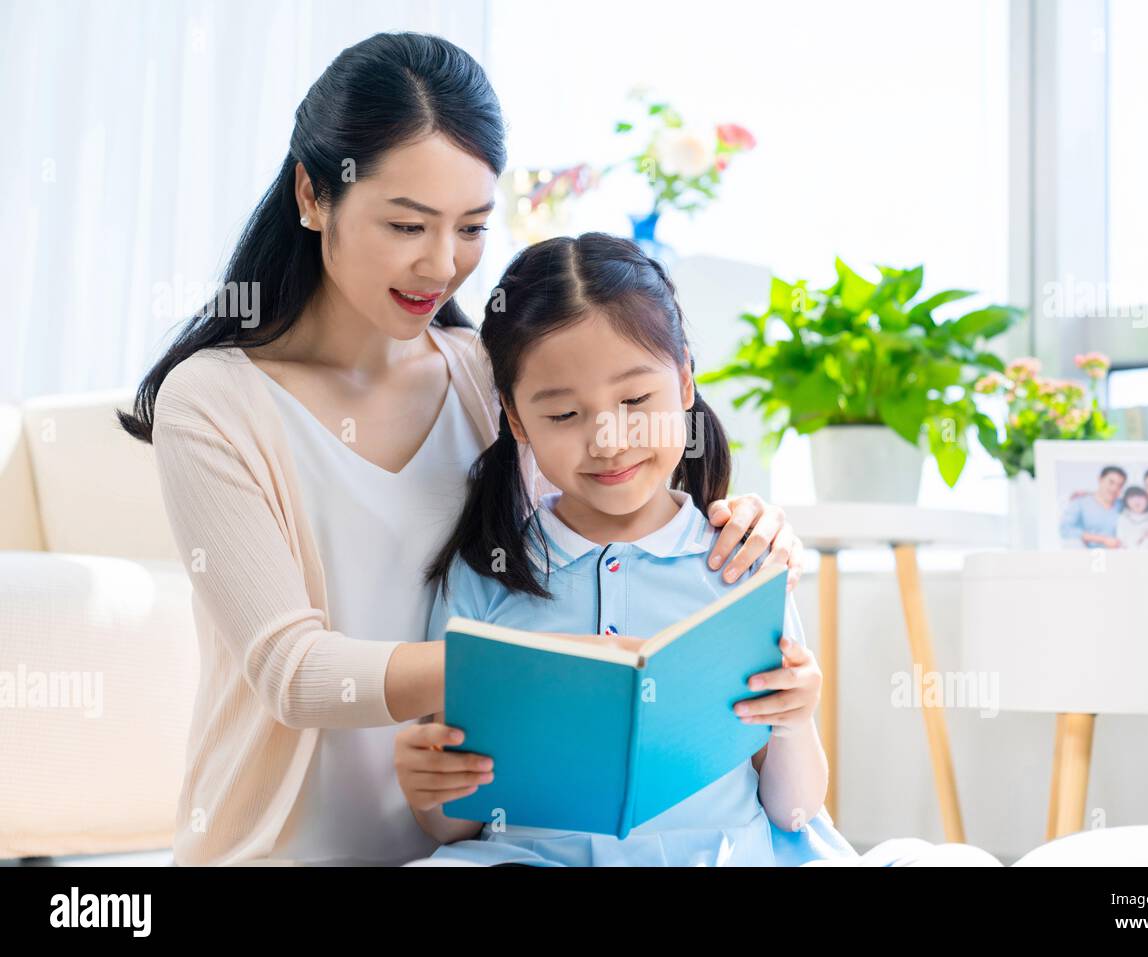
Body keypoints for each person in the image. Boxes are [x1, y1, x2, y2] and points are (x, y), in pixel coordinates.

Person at [119, 34, 803, 866]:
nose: (442, 265)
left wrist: (751, 531)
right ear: (312, 192)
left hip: (472, 840)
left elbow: (612, 484)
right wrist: (541, 667)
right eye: (407, 224)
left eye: (472, 227)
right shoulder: (216, 402)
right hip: (281, 848)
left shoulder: (486, 376)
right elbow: (292, 672)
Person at [400, 233, 856, 866]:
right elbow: (451, 825)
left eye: (636, 400)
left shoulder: (740, 562)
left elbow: (794, 811)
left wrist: (795, 719)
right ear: (515, 418)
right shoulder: (485, 573)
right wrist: (429, 791)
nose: (609, 441)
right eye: (563, 415)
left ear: (685, 381)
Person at [1059, 465, 1126, 548]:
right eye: (1111, 482)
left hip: (1117, 555)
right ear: (1100, 479)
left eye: (1120, 485)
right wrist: (1103, 540)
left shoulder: (1122, 505)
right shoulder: (1080, 502)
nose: (1115, 488)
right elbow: (1065, 529)